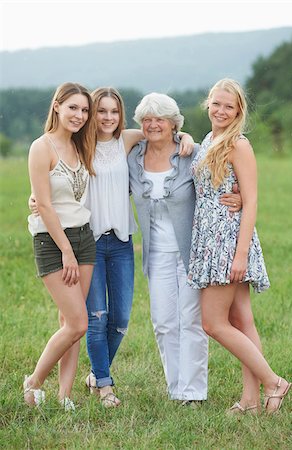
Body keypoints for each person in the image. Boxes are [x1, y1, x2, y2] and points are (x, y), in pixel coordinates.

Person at [84, 87, 195, 407]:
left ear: (120, 115)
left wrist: (185, 136)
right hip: (87, 241)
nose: (107, 117)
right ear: (92, 114)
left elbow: (165, 130)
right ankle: (103, 382)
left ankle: (96, 373)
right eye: (100, 111)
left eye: (113, 111)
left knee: (119, 320)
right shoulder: (79, 144)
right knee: (97, 317)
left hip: (121, 242)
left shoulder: (126, 140)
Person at [127, 92, 242, 404]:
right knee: (164, 322)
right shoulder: (133, 158)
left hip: (194, 250)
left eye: (160, 119)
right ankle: (175, 387)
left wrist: (240, 198)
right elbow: (106, 185)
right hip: (156, 253)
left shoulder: (192, 152)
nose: (153, 125)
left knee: (190, 320)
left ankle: (192, 393)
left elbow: (221, 182)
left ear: (174, 123)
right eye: (147, 119)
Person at [187, 78, 292, 414]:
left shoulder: (238, 145)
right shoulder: (208, 139)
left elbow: (252, 200)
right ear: (208, 104)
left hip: (228, 241)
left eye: (228, 106)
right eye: (216, 103)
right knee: (243, 320)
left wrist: (240, 254)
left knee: (213, 323)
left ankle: (274, 382)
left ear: (238, 111)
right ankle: (250, 400)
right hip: (209, 236)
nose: (220, 110)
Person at [25, 82, 97, 411]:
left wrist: (181, 135)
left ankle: (64, 394)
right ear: (57, 106)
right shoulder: (42, 148)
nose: (79, 115)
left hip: (84, 237)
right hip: (54, 242)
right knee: (78, 323)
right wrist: (66, 250)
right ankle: (33, 382)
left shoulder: (82, 146)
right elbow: (45, 206)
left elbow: (127, 134)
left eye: (84, 110)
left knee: (70, 324)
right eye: (73, 108)